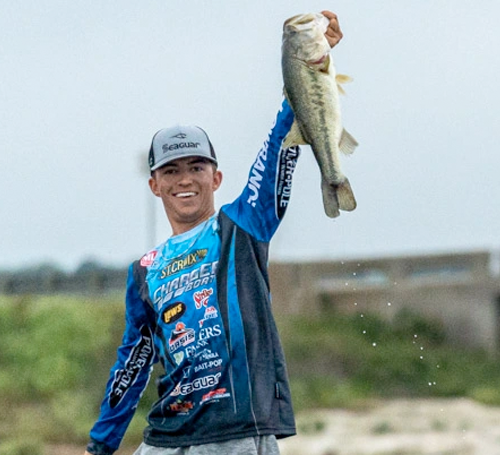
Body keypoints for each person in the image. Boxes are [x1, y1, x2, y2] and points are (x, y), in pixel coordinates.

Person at [84, 11, 343, 455]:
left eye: (196, 168)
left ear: (216, 178)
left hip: (238, 435)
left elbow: (278, 147)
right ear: (155, 185)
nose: (185, 179)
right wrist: (100, 445)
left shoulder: (242, 227)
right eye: (172, 171)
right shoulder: (145, 271)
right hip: (165, 440)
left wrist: (306, 68)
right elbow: (133, 363)